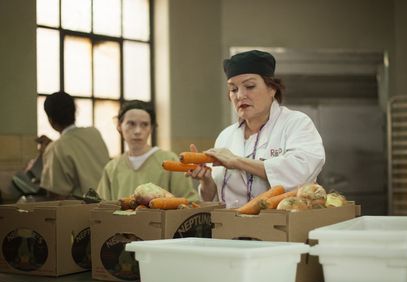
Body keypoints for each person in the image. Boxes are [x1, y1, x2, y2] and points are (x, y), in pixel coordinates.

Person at [188, 50, 325, 208]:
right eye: (233, 89)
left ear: (272, 89)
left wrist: (237, 161)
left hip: (280, 227)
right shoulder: (226, 136)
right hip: (227, 228)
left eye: (249, 86)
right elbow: (213, 198)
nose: (240, 95)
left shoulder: (296, 123)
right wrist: (206, 180)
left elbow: (301, 172)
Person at [96, 100, 198, 201]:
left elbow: (188, 201)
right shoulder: (111, 168)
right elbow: (101, 206)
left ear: (151, 128)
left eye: (144, 125)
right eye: (131, 124)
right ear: (119, 126)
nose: (138, 131)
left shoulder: (170, 161)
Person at [40, 91, 110, 199]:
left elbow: (56, 194)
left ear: (50, 119)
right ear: (74, 111)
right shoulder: (93, 133)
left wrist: (48, 151)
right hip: (108, 201)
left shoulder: (55, 148)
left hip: (82, 209)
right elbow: (78, 151)